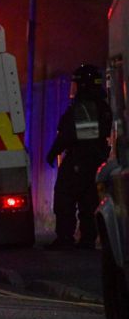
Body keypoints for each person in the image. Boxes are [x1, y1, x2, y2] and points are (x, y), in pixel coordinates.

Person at [46, 63, 112, 250]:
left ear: (83, 85)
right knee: (89, 200)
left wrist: (54, 152)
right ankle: (87, 239)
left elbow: (71, 134)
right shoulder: (101, 106)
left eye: (76, 84)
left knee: (64, 197)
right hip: (95, 160)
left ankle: (65, 238)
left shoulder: (85, 107)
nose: (73, 88)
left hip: (80, 160)